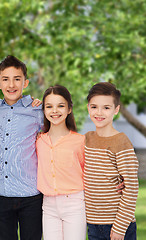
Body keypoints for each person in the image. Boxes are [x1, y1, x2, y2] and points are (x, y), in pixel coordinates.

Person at [0, 55, 43, 240]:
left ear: (25, 83)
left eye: (17, 79)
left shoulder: (36, 110)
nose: (11, 84)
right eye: (5, 79)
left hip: (30, 195)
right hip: (1, 194)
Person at [84, 82, 139, 240]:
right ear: (88, 108)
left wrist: (120, 228)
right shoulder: (87, 139)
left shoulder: (121, 142)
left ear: (116, 110)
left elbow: (132, 188)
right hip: (93, 224)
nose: (99, 112)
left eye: (106, 108)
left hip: (117, 225)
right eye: (94, 107)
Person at [36, 85, 86, 240]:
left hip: (74, 203)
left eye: (60, 106)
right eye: (49, 106)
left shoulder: (80, 141)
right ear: (43, 110)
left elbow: (90, 172)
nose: (54, 111)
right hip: (48, 205)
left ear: (69, 109)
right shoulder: (38, 140)